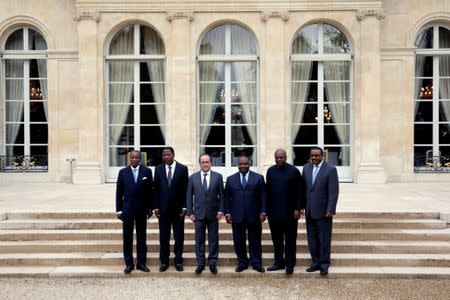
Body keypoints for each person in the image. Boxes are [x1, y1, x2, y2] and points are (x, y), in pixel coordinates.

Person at [225, 155, 266, 273]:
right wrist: (227, 213)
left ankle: (256, 263)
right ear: (238, 165)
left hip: (254, 215)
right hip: (237, 216)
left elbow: (263, 196)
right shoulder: (230, 179)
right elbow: (227, 198)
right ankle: (242, 263)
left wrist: (263, 212)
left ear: (249, 164)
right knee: (238, 241)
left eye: (245, 164)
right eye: (241, 164)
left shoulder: (258, 178)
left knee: (255, 241)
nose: (243, 166)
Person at [266, 148, 304, 275]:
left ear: (286, 157)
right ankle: (279, 263)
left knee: (290, 240)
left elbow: (300, 192)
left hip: (290, 214)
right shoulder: (270, 171)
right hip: (274, 213)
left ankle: (290, 264)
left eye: (281, 157)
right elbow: (268, 192)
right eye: (277, 157)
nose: (279, 159)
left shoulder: (294, 171)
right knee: (276, 240)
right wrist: (266, 211)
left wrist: (298, 208)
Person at [186, 153, 225, 275]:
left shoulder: (218, 177)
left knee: (213, 239)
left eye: (207, 162)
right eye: (203, 162)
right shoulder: (193, 178)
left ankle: (212, 263)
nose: (205, 164)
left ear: (211, 163)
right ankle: (201, 263)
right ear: (200, 164)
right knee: (199, 240)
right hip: (198, 214)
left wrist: (221, 210)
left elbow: (222, 196)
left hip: (214, 214)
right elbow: (188, 196)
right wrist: (190, 212)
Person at [115, 150, 153, 274]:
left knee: (142, 238)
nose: (135, 159)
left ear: (140, 159)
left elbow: (150, 192)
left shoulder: (147, 172)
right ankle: (129, 264)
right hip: (127, 210)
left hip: (142, 211)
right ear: (129, 159)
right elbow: (119, 192)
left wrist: (150, 208)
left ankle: (141, 263)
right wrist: (119, 210)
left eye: (137, 157)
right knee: (127, 238)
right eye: (133, 157)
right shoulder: (123, 172)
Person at [303, 146, 339, 275]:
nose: (314, 158)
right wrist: (302, 207)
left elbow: (333, 193)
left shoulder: (330, 170)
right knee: (311, 239)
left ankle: (324, 264)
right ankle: (315, 263)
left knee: (324, 239)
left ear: (322, 156)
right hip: (309, 211)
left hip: (324, 212)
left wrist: (331, 209)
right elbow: (305, 190)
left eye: (317, 156)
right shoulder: (306, 168)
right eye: (312, 155)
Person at [153, 147, 189, 272]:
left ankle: (178, 261)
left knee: (179, 237)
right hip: (163, 210)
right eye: (164, 155)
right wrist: (156, 207)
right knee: (164, 236)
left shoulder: (182, 169)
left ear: (173, 155)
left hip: (178, 210)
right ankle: (164, 261)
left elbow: (186, 190)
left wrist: (185, 207)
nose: (166, 157)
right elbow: (156, 189)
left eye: (168, 154)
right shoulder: (158, 169)